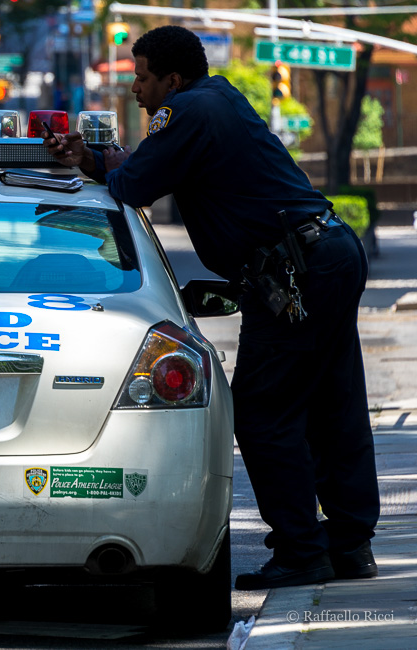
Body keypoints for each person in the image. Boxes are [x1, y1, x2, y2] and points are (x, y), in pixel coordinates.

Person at [46, 25, 379, 591]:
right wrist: (102, 157)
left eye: (143, 76)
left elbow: (133, 186)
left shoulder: (185, 113)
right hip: (328, 252)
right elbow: (144, 168)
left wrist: (98, 163)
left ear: (172, 79)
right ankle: (350, 545)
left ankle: (302, 550)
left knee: (262, 411)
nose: (134, 87)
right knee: (332, 402)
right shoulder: (217, 100)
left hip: (297, 269)